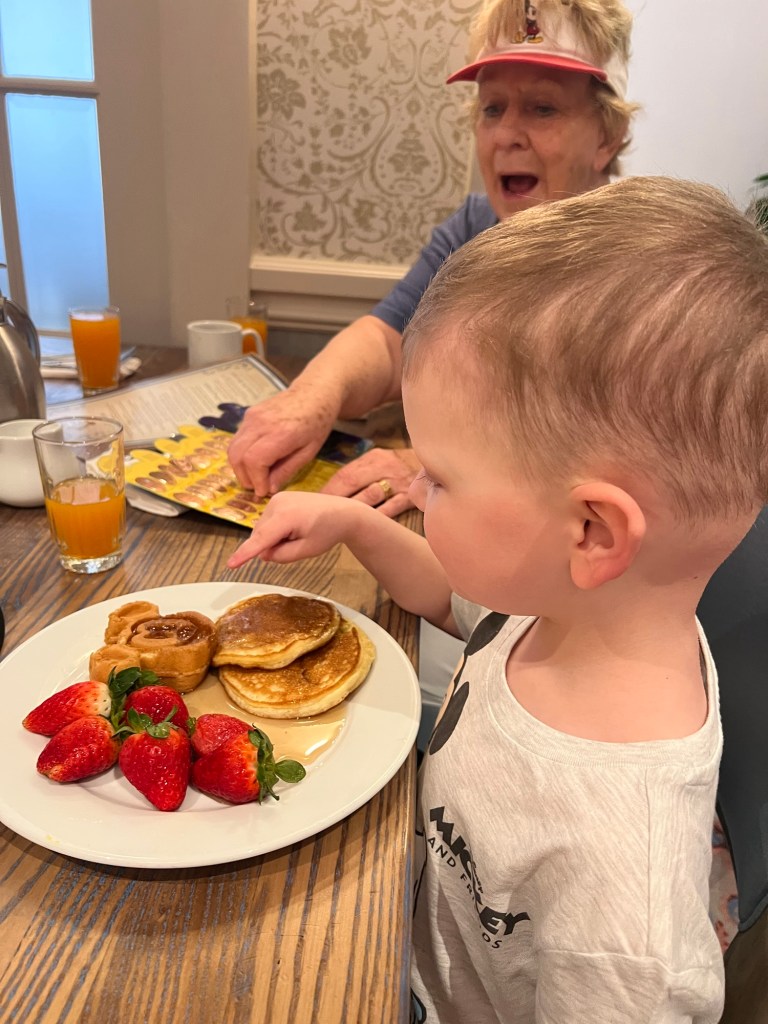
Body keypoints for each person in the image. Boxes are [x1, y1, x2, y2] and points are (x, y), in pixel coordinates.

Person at [228, 175, 768, 1020]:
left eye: (440, 479)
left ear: (591, 531)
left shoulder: (626, 925)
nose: (416, 489)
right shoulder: (568, 612)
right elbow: (456, 603)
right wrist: (356, 525)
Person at [227, 0, 637, 517]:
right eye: (492, 108)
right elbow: (391, 340)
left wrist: (432, 467)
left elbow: (614, 447)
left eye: (543, 108)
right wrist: (310, 399)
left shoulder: (644, 260)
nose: (506, 135)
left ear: (607, 137)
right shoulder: (473, 226)